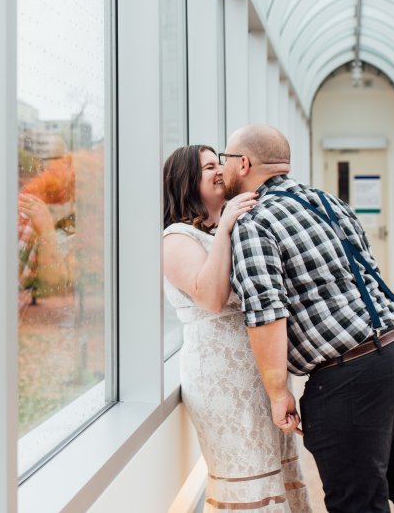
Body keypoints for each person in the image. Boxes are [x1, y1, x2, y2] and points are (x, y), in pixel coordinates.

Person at [221, 124, 394, 513]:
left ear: (243, 164)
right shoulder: (326, 201)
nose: (222, 169)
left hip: (354, 375)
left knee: (357, 503)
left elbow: (266, 313)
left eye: (225, 160)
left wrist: (278, 393)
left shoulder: (254, 221)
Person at [163, 144, 310, 512]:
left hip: (261, 372)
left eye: (219, 164)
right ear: (185, 181)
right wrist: (227, 223)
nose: (218, 171)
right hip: (220, 380)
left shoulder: (237, 227)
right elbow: (211, 298)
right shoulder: (175, 238)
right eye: (208, 166)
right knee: (247, 479)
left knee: (276, 471)